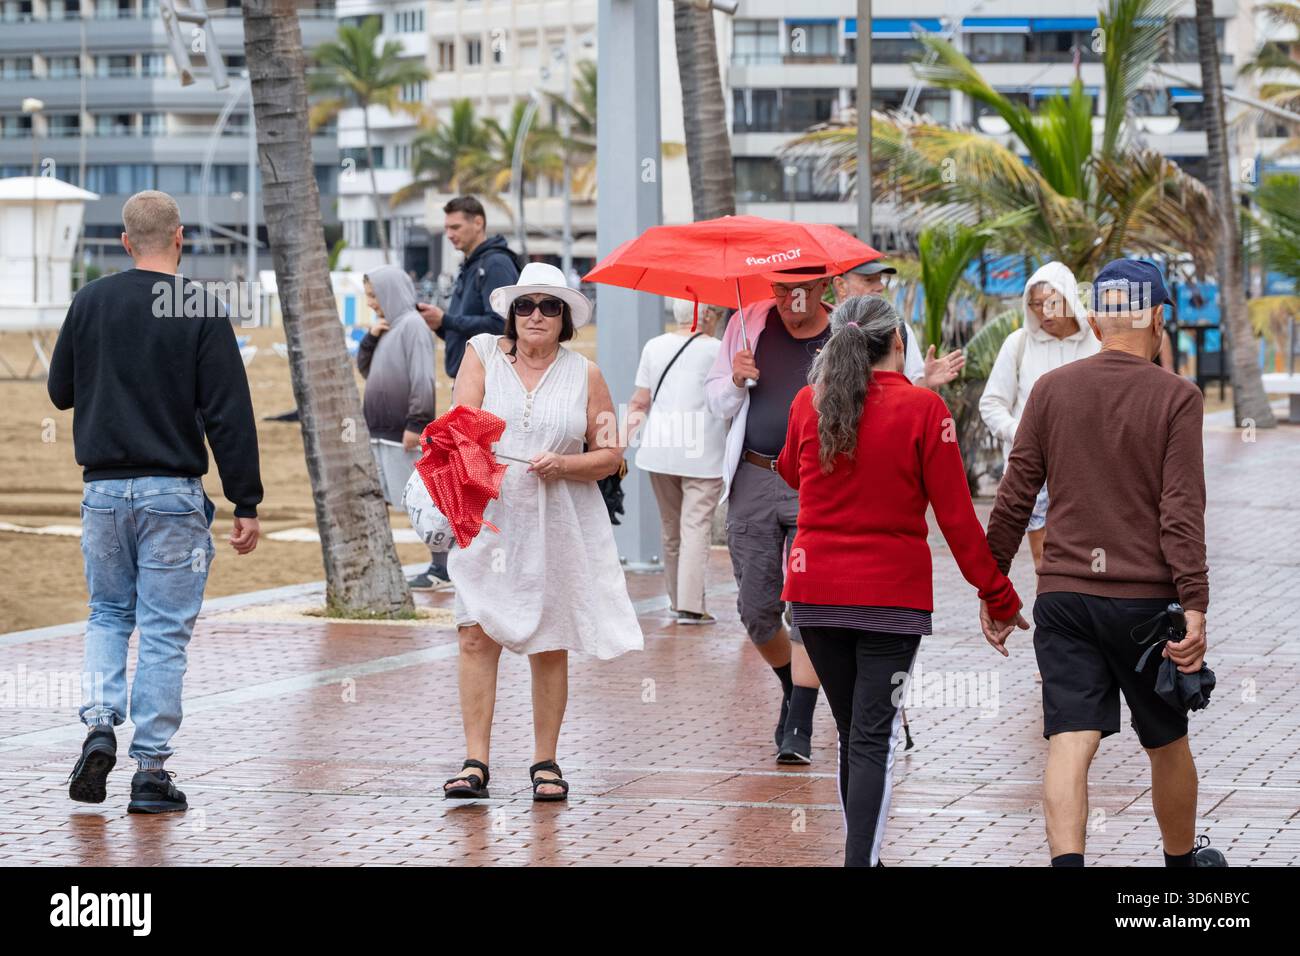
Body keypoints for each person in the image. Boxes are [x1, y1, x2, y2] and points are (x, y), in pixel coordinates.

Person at [982, 258, 1226, 868]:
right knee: (1166, 740)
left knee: (1069, 738)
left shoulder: (1050, 391)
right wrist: (1193, 604)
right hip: (1145, 603)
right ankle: (1180, 871)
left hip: (1063, 598)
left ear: (1094, 319)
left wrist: (994, 590)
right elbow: (1180, 512)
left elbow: (1014, 497)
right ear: (1160, 319)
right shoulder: (1177, 397)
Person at [777, 294, 1021, 866]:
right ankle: (860, 862)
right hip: (890, 598)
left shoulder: (809, 401)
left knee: (853, 732)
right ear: (898, 344)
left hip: (814, 596)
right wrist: (999, 597)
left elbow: (790, 469)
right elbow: (957, 520)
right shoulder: (924, 408)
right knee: (870, 737)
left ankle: (866, 857)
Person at [48, 190, 262, 814]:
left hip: (103, 490)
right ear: (180, 237)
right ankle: (151, 772)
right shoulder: (198, 304)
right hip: (171, 493)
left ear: (123, 242)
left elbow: (61, 391)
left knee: (107, 615)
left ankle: (97, 727)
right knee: (165, 633)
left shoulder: (89, 301)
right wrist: (245, 500)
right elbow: (229, 415)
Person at [441, 262, 643, 802]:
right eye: (526, 304)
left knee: (549, 640)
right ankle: (474, 763)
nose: (535, 315)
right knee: (475, 633)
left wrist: (565, 466)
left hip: (557, 521)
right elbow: (460, 424)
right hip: (489, 517)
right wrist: (481, 455)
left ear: (564, 318)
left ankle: (545, 762)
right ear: (511, 311)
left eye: (549, 306)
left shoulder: (587, 373)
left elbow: (611, 455)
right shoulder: (481, 353)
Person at [705, 265, 837, 765]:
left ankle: (799, 722)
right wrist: (736, 380)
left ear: (823, 287)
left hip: (817, 479)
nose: (791, 299)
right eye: (782, 289)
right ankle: (791, 685)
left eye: (802, 289)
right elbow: (717, 403)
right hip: (755, 477)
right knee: (756, 608)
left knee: (809, 602)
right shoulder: (746, 323)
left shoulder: (844, 332)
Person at [413, 195, 520, 590]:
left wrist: (449, 319)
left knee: (470, 472)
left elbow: (503, 322)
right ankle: (456, 557)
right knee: (462, 471)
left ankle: (458, 561)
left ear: (478, 222)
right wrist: (441, 324)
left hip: (485, 386)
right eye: (447, 228)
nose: (451, 235)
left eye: (457, 227)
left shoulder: (494, 264)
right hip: (469, 380)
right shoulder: (473, 265)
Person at [979, 262, 1099, 570]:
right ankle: (1053, 617)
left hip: (1088, 472)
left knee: (1090, 555)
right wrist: (1023, 432)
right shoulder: (1018, 344)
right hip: (1035, 473)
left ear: (1071, 298)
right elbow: (991, 404)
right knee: (1043, 559)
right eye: (1035, 304)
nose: (1043, 312)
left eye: (1052, 303)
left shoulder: (1098, 342)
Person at [627, 299, 728, 624]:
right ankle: (690, 606)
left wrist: (617, 445)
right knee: (695, 527)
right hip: (704, 452)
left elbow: (639, 401)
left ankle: (676, 600)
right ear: (707, 315)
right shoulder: (718, 350)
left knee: (671, 529)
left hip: (659, 450)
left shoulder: (654, 347)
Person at [357, 266, 437, 566]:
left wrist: (417, 423)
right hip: (378, 434)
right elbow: (367, 371)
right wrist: (370, 338)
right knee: (379, 501)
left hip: (401, 434)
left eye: (374, 295)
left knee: (422, 504)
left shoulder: (413, 327)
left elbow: (423, 379)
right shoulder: (388, 327)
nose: (371, 303)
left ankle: (440, 566)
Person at [832, 259, 966, 388]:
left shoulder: (898, 330)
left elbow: (912, 389)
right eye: (869, 280)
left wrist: (927, 381)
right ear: (841, 286)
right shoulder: (825, 330)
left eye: (879, 279)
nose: (880, 287)